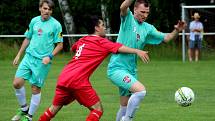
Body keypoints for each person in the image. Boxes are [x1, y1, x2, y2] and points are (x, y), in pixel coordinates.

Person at [38, 15, 150, 121]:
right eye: (102, 26)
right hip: (78, 79)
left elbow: (74, 48)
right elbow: (120, 47)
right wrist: (137, 51)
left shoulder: (82, 40)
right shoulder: (101, 42)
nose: (105, 28)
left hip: (64, 76)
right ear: (96, 28)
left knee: (53, 109)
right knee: (97, 110)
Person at [107, 0, 186, 121]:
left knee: (124, 106)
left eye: (147, 13)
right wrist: (137, 51)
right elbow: (123, 6)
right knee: (140, 92)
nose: (145, 15)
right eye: (142, 12)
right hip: (117, 68)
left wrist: (177, 30)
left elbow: (167, 38)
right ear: (135, 10)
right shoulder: (128, 18)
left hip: (130, 71)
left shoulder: (148, 28)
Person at [11, 0, 63, 121]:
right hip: (28, 57)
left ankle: (29, 117)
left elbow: (60, 45)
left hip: (42, 62)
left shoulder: (56, 25)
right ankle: (24, 109)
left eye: (49, 9)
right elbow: (28, 38)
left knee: (35, 88)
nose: (47, 11)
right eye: (45, 8)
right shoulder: (34, 21)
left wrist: (49, 57)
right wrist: (19, 54)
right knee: (16, 83)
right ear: (40, 8)